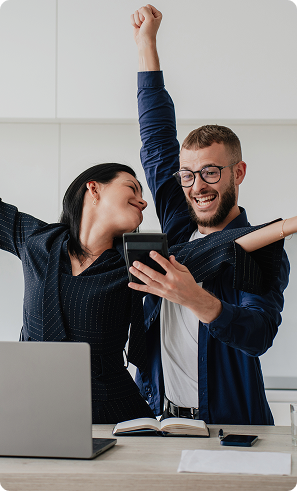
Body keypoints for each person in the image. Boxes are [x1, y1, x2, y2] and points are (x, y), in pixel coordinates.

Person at [129, 5, 293, 425]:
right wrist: (147, 44)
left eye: (210, 172)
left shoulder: (262, 247)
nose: (197, 185)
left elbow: (258, 333)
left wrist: (196, 298)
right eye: (188, 174)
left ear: (237, 172)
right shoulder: (179, 222)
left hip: (228, 424)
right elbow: (157, 136)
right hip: (157, 417)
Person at [0, 162, 157, 423]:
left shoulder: (139, 262)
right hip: (29, 408)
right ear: (93, 189)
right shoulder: (39, 242)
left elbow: (218, 249)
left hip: (113, 414)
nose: (143, 202)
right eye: (133, 188)